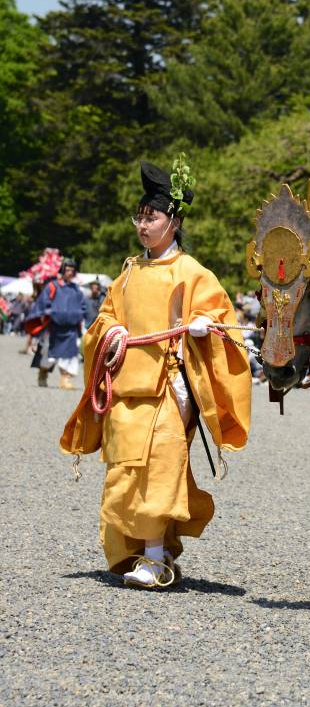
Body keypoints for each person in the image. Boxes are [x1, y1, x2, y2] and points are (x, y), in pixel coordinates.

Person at [60, 159, 252, 589]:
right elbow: (102, 321)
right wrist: (111, 332)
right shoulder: (127, 273)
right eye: (140, 217)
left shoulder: (192, 272)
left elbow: (221, 319)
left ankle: (152, 559)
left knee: (159, 466)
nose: (143, 226)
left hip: (170, 384)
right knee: (125, 468)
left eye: (153, 218)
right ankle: (151, 550)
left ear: (175, 221)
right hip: (126, 384)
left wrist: (205, 327)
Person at [30, 258, 86, 389]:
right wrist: (53, 312)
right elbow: (43, 303)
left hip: (71, 327)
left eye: (72, 270)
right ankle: (43, 373)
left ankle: (65, 380)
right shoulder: (52, 286)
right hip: (54, 327)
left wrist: (78, 315)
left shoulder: (77, 289)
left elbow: (83, 306)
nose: (70, 272)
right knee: (49, 354)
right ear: (62, 270)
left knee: (71, 354)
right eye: (67, 270)